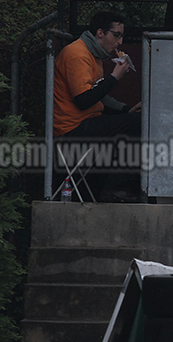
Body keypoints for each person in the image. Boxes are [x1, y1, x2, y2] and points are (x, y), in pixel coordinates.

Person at [53, 11, 142, 201]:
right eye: (116, 35)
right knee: (137, 125)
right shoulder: (77, 54)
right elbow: (84, 99)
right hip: (72, 128)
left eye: (122, 36)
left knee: (135, 121)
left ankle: (112, 189)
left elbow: (97, 94)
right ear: (100, 33)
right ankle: (117, 189)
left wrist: (126, 109)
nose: (119, 42)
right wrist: (114, 78)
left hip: (89, 122)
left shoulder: (94, 54)